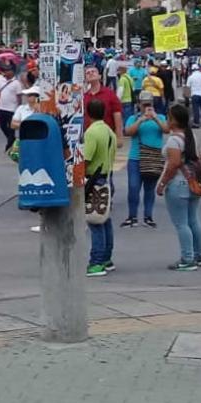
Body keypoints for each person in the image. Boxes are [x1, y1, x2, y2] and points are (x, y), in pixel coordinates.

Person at [156, 103, 201, 271]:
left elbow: (173, 165)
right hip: (193, 183)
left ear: (175, 121)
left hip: (178, 185)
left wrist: (162, 184)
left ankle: (187, 258)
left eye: (169, 117)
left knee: (181, 224)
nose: (167, 120)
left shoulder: (173, 140)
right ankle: (199, 255)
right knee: (193, 220)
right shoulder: (192, 137)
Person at [121, 92, 168, 229]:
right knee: (133, 187)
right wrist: (141, 119)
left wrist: (155, 118)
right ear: (139, 104)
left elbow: (166, 129)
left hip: (153, 157)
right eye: (144, 104)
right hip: (136, 158)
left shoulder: (160, 117)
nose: (147, 107)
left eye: (149, 104)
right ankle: (132, 216)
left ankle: (148, 216)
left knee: (149, 188)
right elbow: (128, 132)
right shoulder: (133, 118)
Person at [83, 98, 119, 277]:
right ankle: (106, 258)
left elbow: (87, 158)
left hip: (94, 180)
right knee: (105, 219)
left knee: (95, 221)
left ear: (88, 113)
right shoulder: (109, 131)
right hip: (107, 176)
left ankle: (96, 261)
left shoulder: (91, 133)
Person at [82, 65, 124, 139]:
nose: (91, 73)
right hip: (89, 136)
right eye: (88, 73)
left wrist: (119, 136)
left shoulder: (110, 93)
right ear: (85, 79)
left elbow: (117, 114)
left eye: (93, 71)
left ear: (99, 76)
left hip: (107, 136)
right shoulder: (84, 97)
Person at [0, 67, 20, 152]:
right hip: (2, 108)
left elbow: (18, 96)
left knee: (12, 128)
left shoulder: (16, 83)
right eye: (5, 71)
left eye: (8, 71)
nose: (6, 72)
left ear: (12, 72)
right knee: (3, 126)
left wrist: (19, 108)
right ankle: (12, 139)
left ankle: (9, 146)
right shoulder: (1, 80)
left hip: (12, 109)